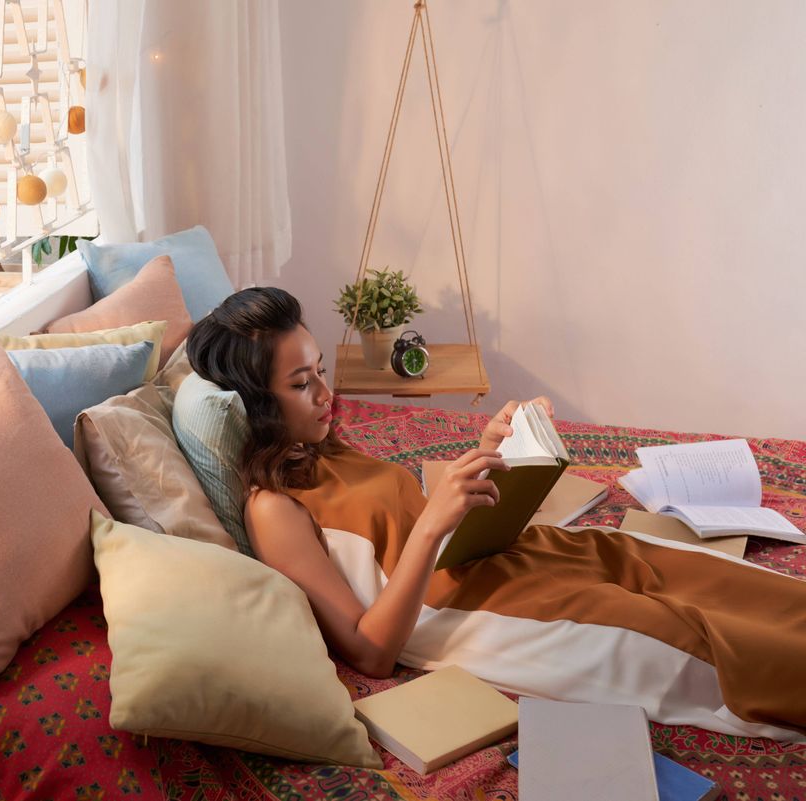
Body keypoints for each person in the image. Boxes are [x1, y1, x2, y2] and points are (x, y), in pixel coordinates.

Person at [185, 286, 806, 741]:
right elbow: (369, 652)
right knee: (707, 640)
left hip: (503, 555)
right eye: (301, 383)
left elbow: (403, 521)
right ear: (254, 402)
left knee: (700, 572)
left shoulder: (319, 443)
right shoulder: (273, 509)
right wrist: (432, 525)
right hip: (482, 611)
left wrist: (489, 451)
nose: (327, 393)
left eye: (320, 370)